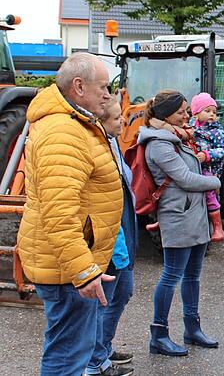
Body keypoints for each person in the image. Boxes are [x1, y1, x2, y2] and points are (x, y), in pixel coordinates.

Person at [16, 52, 123, 376]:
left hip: (67, 263)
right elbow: (59, 212)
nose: (107, 95)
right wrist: (84, 271)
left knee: (69, 349)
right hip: (67, 269)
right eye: (103, 87)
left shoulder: (74, 123)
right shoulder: (64, 131)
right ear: (79, 86)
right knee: (67, 356)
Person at [138, 90, 222, 357]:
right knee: (171, 275)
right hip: (178, 216)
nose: (187, 115)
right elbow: (185, 178)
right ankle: (159, 335)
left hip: (194, 215)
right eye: (181, 112)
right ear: (166, 115)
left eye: (186, 110)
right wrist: (215, 182)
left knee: (193, 275)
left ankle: (192, 329)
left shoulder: (180, 136)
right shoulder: (159, 144)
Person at [85, 97, 138, 376]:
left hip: (123, 230)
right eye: (117, 118)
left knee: (123, 292)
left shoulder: (114, 143)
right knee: (102, 301)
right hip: (109, 236)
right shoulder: (95, 149)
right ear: (101, 122)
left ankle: (102, 347)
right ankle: (95, 363)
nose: (124, 121)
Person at [189, 92, 224, 242]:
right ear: (196, 113)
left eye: (214, 112)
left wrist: (207, 155)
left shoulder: (217, 132)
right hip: (192, 166)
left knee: (208, 193)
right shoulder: (189, 128)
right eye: (207, 111)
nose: (212, 114)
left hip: (209, 169)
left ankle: (218, 227)